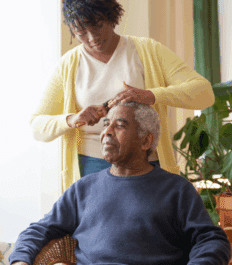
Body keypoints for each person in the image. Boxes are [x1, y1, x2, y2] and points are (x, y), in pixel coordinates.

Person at [30, 0, 215, 191]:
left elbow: (204, 92)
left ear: (111, 16)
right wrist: (72, 119)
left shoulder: (147, 50)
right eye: (81, 32)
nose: (92, 38)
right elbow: (37, 126)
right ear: (72, 31)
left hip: (146, 164)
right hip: (91, 166)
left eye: (97, 25)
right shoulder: (68, 65)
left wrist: (151, 95)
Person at [10, 103, 231, 265]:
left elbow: (212, 240)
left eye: (119, 126)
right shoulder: (83, 188)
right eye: (106, 125)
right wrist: (20, 260)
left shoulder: (176, 188)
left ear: (146, 140)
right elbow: (39, 229)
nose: (106, 132)